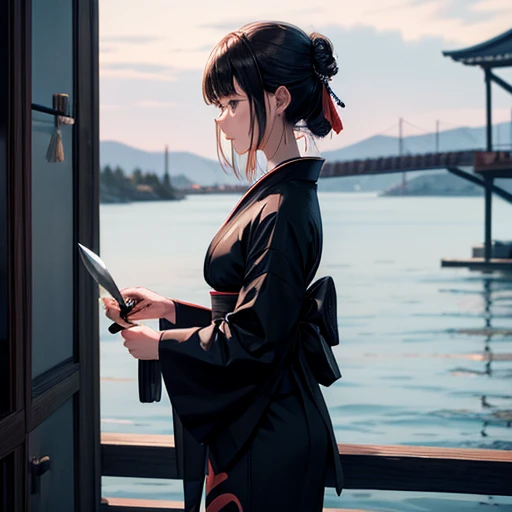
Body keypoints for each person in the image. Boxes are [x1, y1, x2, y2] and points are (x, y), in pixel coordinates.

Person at [103, 20, 345, 512]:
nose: (222, 119)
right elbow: (258, 323)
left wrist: (161, 348)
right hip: (265, 417)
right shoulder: (282, 194)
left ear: (278, 100)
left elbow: (255, 339)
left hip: (268, 431)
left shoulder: (283, 205)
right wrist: (171, 311)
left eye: (232, 103)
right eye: (220, 106)